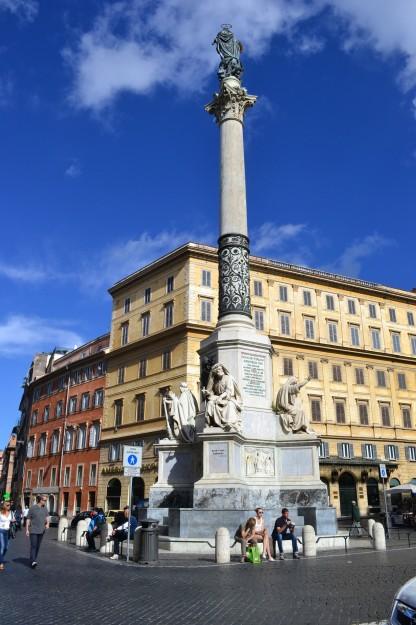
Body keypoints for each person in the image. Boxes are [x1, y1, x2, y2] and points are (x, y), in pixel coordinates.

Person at [26, 495, 49, 568]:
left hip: (41, 530)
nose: (45, 502)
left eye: (46, 500)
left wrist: (48, 523)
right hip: (33, 530)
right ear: (40, 500)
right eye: (44, 500)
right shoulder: (32, 508)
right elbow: (28, 519)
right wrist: (27, 529)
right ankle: (33, 561)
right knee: (34, 545)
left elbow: (47, 516)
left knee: (38, 546)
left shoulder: (45, 508)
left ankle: (33, 559)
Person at [0, 500, 13, 571]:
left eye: (9, 505)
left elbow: (10, 521)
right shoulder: (0, 513)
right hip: (1, 531)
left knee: (6, 548)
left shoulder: (11, 512)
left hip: (7, 532)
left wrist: (12, 520)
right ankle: (1, 563)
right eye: (7, 505)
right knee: (2, 547)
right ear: (4, 506)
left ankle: (0, 558)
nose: (9, 506)